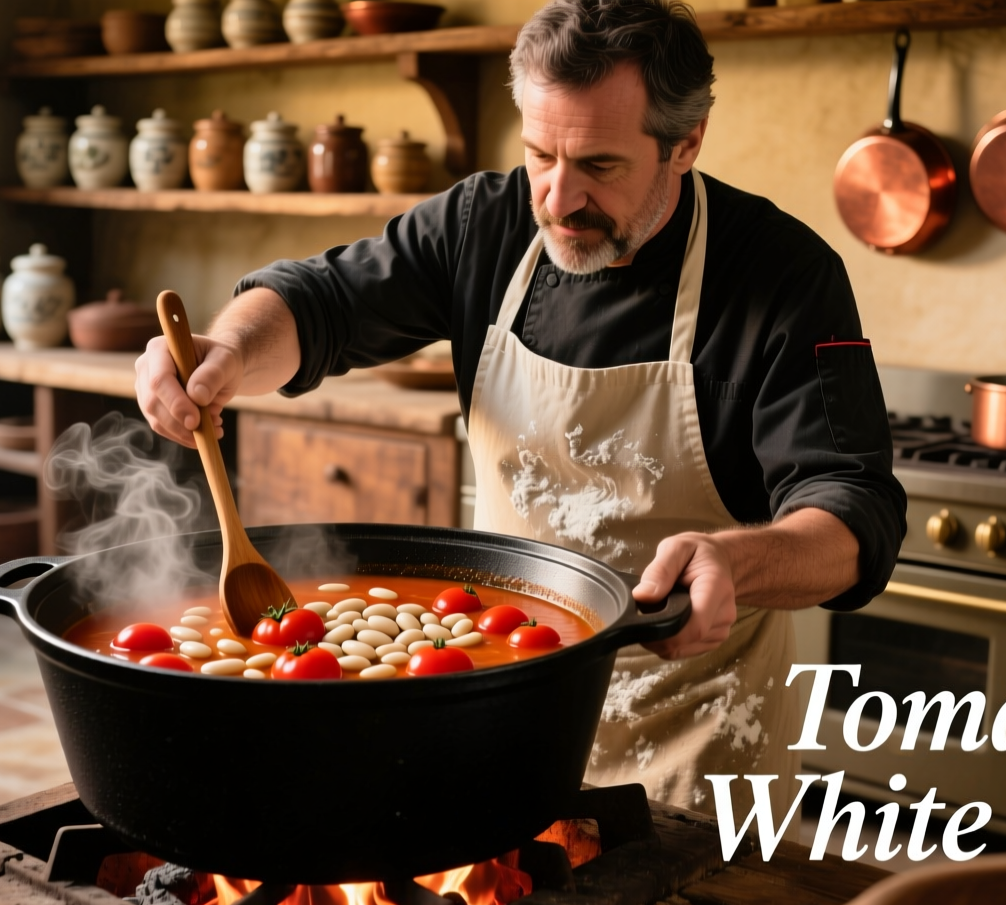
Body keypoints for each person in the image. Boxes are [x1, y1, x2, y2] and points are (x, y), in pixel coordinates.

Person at [136, 0, 906, 813]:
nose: (558, 199)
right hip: (500, 706)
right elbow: (319, 302)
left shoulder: (783, 276)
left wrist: (737, 563)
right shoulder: (486, 222)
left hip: (694, 735)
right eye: (541, 154)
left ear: (687, 142)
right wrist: (229, 353)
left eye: (600, 167)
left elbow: (855, 515)